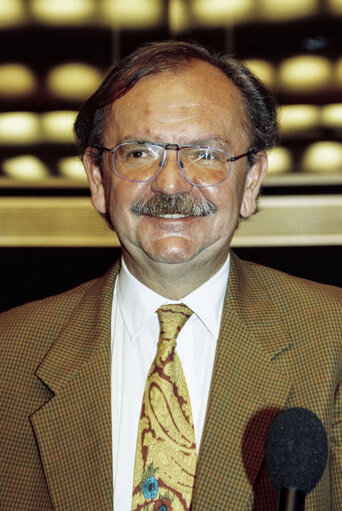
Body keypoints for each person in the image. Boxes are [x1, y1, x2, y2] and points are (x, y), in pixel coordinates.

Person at [0, 41, 341, 511]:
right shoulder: (9, 355)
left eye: (206, 153)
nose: (171, 183)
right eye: (139, 152)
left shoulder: (333, 340)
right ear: (99, 180)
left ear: (253, 180)